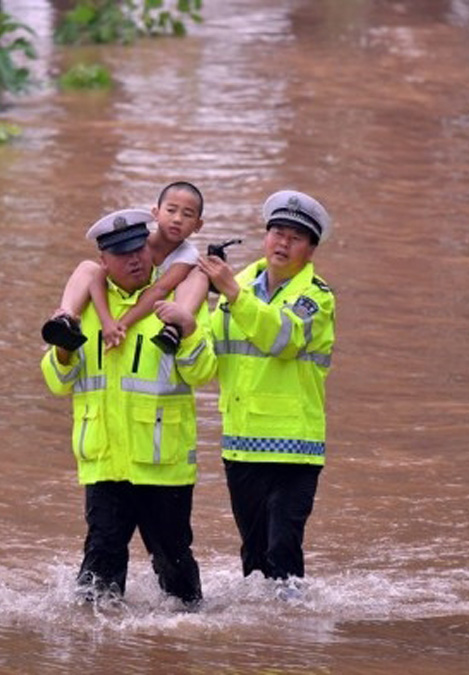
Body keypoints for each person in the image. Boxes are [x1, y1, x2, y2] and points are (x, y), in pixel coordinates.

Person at [156, 189, 335, 601]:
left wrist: (232, 294)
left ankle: (290, 641)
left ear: (310, 250)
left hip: (295, 448)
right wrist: (184, 333)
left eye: (295, 237)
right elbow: (205, 369)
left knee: (282, 552)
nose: (283, 243)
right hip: (241, 446)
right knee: (254, 562)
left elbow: (282, 338)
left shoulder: (317, 297)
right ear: (264, 237)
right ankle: (259, 646)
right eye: (277, 232)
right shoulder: (233, 290)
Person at [40, 207, 218, 610]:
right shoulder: (81, 307)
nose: (134, 258)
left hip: (163, 463)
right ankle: (96, 652)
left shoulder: (181, 297)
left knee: (177, 573)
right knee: (98, 576)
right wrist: (65, 354)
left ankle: (180, 645)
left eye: (138, 248)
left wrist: (187, 332)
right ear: (104, 261)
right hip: (104, 463)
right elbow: (55, 381)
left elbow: (204, 372)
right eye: (122, 253)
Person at [42, 181, 209, 355]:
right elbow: (96, 278)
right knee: (87, 267)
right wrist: (106, 321)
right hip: (128, 293)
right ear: (156, 213)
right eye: (171, 210)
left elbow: (160, 289)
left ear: (198, 225)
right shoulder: (139, 241)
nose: (177, 219)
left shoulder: (188, 255)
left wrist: (122, 324)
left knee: (201, 272)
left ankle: (174, 327)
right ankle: (65, 319)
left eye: (187, 214)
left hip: (155, 303)